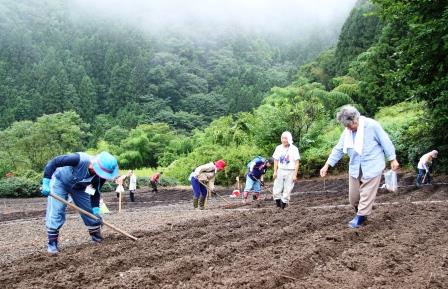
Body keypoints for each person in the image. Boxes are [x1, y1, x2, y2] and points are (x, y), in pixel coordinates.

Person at [320, 105, 399, 229]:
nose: (348, 129)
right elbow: (338, 149)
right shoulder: (347, 132)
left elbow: (385, 141)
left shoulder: (372, 126)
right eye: (346, 126)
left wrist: (392, 158)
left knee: (367, 193)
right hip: (355, 167)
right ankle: (361, 212)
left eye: (349, 125)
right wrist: (327, 165)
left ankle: (360, 217)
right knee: (353, 197)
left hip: (372, 164)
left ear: (355, 119)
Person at [41, 151, 119, 255]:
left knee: (90, 213)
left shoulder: (100, 177)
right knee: (57, 210)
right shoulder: (78, 159)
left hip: (79, 188)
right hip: (60, 182)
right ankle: (52, 243)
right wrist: (46, 182)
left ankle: (96, 238)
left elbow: (95, 191)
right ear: (93, 165)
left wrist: (95, 209)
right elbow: (54, 162)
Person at [272, 131, 300, 209]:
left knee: (287, 189)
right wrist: (275, 171)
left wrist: (295, 174)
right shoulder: (278, 148)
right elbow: (276, 160)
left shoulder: (294, 149)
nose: (284, 140)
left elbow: (297, 163)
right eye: (283, 138)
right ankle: (278, 206)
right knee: (276, 188)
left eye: (286, 138)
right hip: (280, 170)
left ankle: (283, 207)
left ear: (289, 139)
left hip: (290, 171)